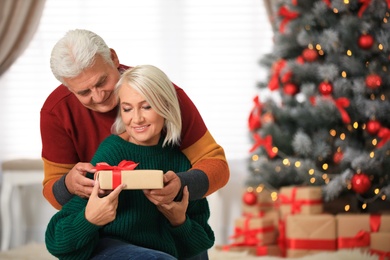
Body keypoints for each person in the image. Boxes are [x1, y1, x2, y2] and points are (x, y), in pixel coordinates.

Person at [40, 29, 230, 210]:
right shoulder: (55, 112)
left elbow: (217, 166)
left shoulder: (160, 93)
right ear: (68, 88)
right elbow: (52, 190)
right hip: (104, 228)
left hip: (169, 223)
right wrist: (68, 185)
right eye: (84, 92)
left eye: (101, 82)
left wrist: (180, 185)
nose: (98, 97)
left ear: (113, 58)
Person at [45, 64, 215, 260]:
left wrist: (179, 221)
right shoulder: (112, 153)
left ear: (165, 107)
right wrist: (89, 219)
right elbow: (56, 241)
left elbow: (201, 243)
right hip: (110, 248)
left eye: (146, 106)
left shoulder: (181, 163)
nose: (137, 119)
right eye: (127, 109)